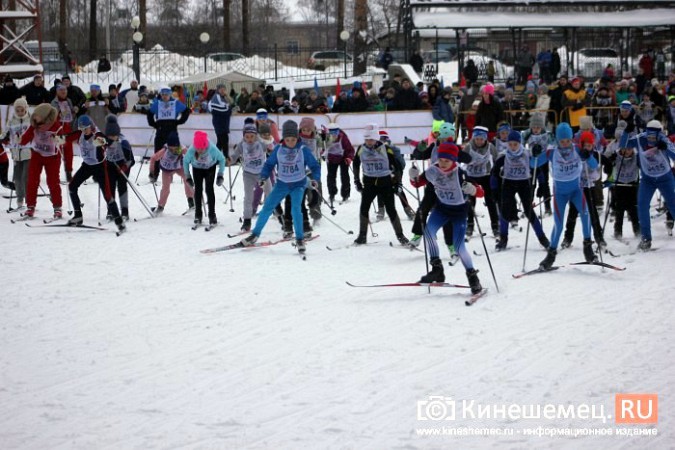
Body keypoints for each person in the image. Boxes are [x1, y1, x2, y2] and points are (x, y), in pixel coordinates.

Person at [408, 142, 483, 294]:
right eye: (441, 159)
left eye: (446, 161)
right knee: (428, 232)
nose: (442, 163)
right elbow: (418, 183)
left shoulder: (460, 173)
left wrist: (474, 189)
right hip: (442, 208)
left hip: (459, 212)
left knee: (459, 246)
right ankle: (437, 269)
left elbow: (481, 192)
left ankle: (472, 276)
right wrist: (413, 177)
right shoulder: (433, 170)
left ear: (454, 160)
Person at [240, 120, 321, 255]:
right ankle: (255, 234)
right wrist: (263, 177)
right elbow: (268, 165)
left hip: (298, 184)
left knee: (296, 210)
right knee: (267, 207)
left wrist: (314, 179)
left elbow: (315, 166)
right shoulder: (278, 149)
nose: (290, 142)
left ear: (297, 137)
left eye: (293, 139)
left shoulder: (303, 150)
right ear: (284, 138)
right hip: (282, 184)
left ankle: (300, 239)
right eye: (288, 139)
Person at [538, 123, 599, 270]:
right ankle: (550, 255)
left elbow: (594, 165)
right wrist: (534, 153)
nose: (565, 144)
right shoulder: (551, 152)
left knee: (586, 214)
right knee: (558, 225)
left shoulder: (578, 149)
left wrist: (588, 155)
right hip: (560, 193)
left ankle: (588, 248)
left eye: (567, 140)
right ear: (557, 140)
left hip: (576, 190)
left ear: (572, 139)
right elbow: (533, 164)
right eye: (562, 141)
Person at [491, 130, 551, 251]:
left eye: (515, 144)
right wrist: (494, 190)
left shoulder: (527, 154)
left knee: (529, 211)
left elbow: (537, 170)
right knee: (505, 211)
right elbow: (494, 173)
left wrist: (542, 186)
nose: (513, 147)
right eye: (510, 144)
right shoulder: (504, 156)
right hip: (508, 183)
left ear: (520, 144)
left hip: (524, 184)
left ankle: (542, 238)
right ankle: (503, 239)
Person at [65, 115, 126, 233]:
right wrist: (57, 139)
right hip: (86, 166)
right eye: (82, 129)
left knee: (108, 196)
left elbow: (107, 141)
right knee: (72, 186)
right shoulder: (80, 134)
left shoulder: (97, 134)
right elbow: (67, 138)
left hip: (100, 168)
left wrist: (103, 142)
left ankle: (119, 222)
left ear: (91, 126)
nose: (84, 131)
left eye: (86, 128)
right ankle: (78, 216)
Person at [352, 123, 408, 245]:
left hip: (385, 182)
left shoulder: (386, 149)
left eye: (371, 139)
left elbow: (396, 167)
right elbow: (355, 164)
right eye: (366, 139)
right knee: (364, 208)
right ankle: (362, 236)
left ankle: (400, 236)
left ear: (376, 138)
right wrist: (357, 181)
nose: (369, 142)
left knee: (391, 209)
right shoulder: (361, 149)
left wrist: (398, 183)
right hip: (369, 182)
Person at [624, 120, 675, 250]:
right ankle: (646, 238)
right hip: (648, 179)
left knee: (672, 204)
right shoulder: (641, 138)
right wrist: (626, 132)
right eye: (649, 135)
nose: (651, 139)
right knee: (642, 205)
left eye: (654, 136)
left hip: (665, 178)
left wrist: (666, 148)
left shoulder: (664, 139)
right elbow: (623, 144)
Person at [559, 131, 607, 249]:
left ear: (593, 145)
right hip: (577, 189)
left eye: (589, 146)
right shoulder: (576, 154)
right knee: (572, 214)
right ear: (581, 145)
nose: (587, 148)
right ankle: (567, 238)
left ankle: (599, 237)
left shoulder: (595, 155)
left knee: (593, 213)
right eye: (585, 145)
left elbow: (596, 171)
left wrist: (589, 158)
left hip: (589, 187)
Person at [18, 104, 66, 219]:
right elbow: (25, 139)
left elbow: (63, 141)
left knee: (53, 182)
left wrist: (59, 140)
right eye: (34, 115)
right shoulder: (34, 125)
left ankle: (57, 208)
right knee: (32, 180)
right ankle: (30, 207)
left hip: (52, 157)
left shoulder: (56, 126)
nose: (34, 117)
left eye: (37, 115)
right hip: (37, 155)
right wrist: (19, 140)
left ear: (44, 116)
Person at [229, 124, 270, 232]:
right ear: (244, 136)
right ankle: (247, 221)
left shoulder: (261, 143)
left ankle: (280, 215)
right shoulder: (242, 144)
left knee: (270, 193)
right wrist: (229, 160)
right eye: (247, 137)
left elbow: (271, 149)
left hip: (262, 173)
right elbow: (234, 157)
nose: (249, 139)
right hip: (248, 174)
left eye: (252, 136)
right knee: (248, 197)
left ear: (255, 135)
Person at [462, 126, 500, 237]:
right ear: (473, 138)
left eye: (481, 139)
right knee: (470, 201)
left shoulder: (490, 147)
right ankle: (470, 225)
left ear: (485, 139)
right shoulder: (469, 147)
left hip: (485, 175)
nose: (479, 141)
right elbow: (461, 159)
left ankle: (495, 225)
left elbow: (497, 159)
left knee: (490, 200)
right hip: (471, 176)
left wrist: (497, 171)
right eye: (477, 139)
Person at [603, 127, 640, 239]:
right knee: (619, 210)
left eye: (629, 149)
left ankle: (638, 231)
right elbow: (606, 170)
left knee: (633, 210)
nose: (627, 152)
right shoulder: (616, 156)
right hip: (619, 185)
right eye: (624, 149)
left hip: (632, 185)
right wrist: (610, 163)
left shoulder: (636, 157)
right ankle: (617, 231)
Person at [147, 86, 190, 180]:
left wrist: (180, 121)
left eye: (166, 94)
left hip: (172, 131)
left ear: (170, 94)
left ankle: (171, 174)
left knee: (175, 153)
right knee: (158, 152)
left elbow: (186, 111)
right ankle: (154, 174)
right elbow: (149, 113)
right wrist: (153, 124)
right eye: (162, 94)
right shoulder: (157, 103)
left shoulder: (175, 103)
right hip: (161, 130)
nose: (164, 96)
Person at [183, 131, 226, 227]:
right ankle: (198, 215)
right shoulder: (191, 150)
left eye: (202, 148)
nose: (199, 151)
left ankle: (212, 215)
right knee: (198, 190)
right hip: (197, 169)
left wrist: (220, 174)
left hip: (210, 168)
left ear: (205, 145)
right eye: (197, 149)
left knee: (209, 190)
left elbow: (222, 159)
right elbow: (185, 161)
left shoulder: (212, 149)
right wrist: (188, 177)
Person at [148, 131, 194, 215]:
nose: (173, 150)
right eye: (171, 148)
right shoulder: (165, 149)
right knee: (166, 188)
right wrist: (151, 172)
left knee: (187, 181)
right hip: (167, 170)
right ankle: (160, 206)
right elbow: (153, 159)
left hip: (179, 167)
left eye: (175, 148)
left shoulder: (181, 148)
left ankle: (191, 202)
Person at [102, 115, 135, 220]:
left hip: (123, 166)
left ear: (118, 134)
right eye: (109, 136)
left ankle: (125, 211)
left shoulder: (124, 143)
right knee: (110, 187)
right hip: (110, 166)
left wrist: (124, 168)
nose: (112, 138)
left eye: (114, 136)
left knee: (122, 187)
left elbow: (131, 160)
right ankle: (111, 210)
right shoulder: (103, 142)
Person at [521, 113, 554, 215]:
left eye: (538, 127)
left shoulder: (546, 134)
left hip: (543, 161)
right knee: (531, 184)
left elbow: (552, 144)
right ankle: (528, 206)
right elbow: (520, 144)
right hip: (531, 162)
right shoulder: (527, 133)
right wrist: (526, 153)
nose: (536, 129)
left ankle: (547, 206)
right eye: (534, 127)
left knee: (544, 183)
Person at [1, 97, 31, 208]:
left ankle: (29, 201)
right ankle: (19, 200)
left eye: (21, 110)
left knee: (25, 177)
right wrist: (3, 138)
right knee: (17, 178)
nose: (19, 112)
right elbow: (5, 132)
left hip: (29, 153)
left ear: (25, 109)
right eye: (17, 110)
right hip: (16, 154)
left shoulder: (30, 119)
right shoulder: (12, 120)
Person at [50, 84, 76, 182]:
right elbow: (52, 117)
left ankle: (68, 172)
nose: (63, 92)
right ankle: (55, 174)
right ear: (57, 92)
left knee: (69, 152)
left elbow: (72, 114)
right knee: (58, 153)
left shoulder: (68, 101)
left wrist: (74, 111)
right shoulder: (54, 102)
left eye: (64, 90)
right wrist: (59, 115)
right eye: (61, 90)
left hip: (68, 129)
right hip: (59, 129)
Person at [324, 123, 355, 205]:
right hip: (331, 158)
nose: (334, 136)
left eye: (335, 133)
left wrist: (349, 158)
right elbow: (322, 148)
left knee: (344, 175)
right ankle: (332, 194)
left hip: (343, 158)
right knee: (331, 176)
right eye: (331, 133)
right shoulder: (325, 138)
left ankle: (345, 195)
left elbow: (350, 150)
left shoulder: (343, 137)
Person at [208, 83, 233, 158]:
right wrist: (230, 110)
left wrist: (227, 98)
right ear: (218, 90)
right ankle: (225, 157)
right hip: (219, 123)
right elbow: (224, 109)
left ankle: (216, 157)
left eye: (224, 89)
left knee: (221, 142)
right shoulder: (216, 97)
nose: (222, 91)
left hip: (223, 123)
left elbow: (230, 104)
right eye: (221, 89)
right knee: (224, 141)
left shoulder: (223, 97)